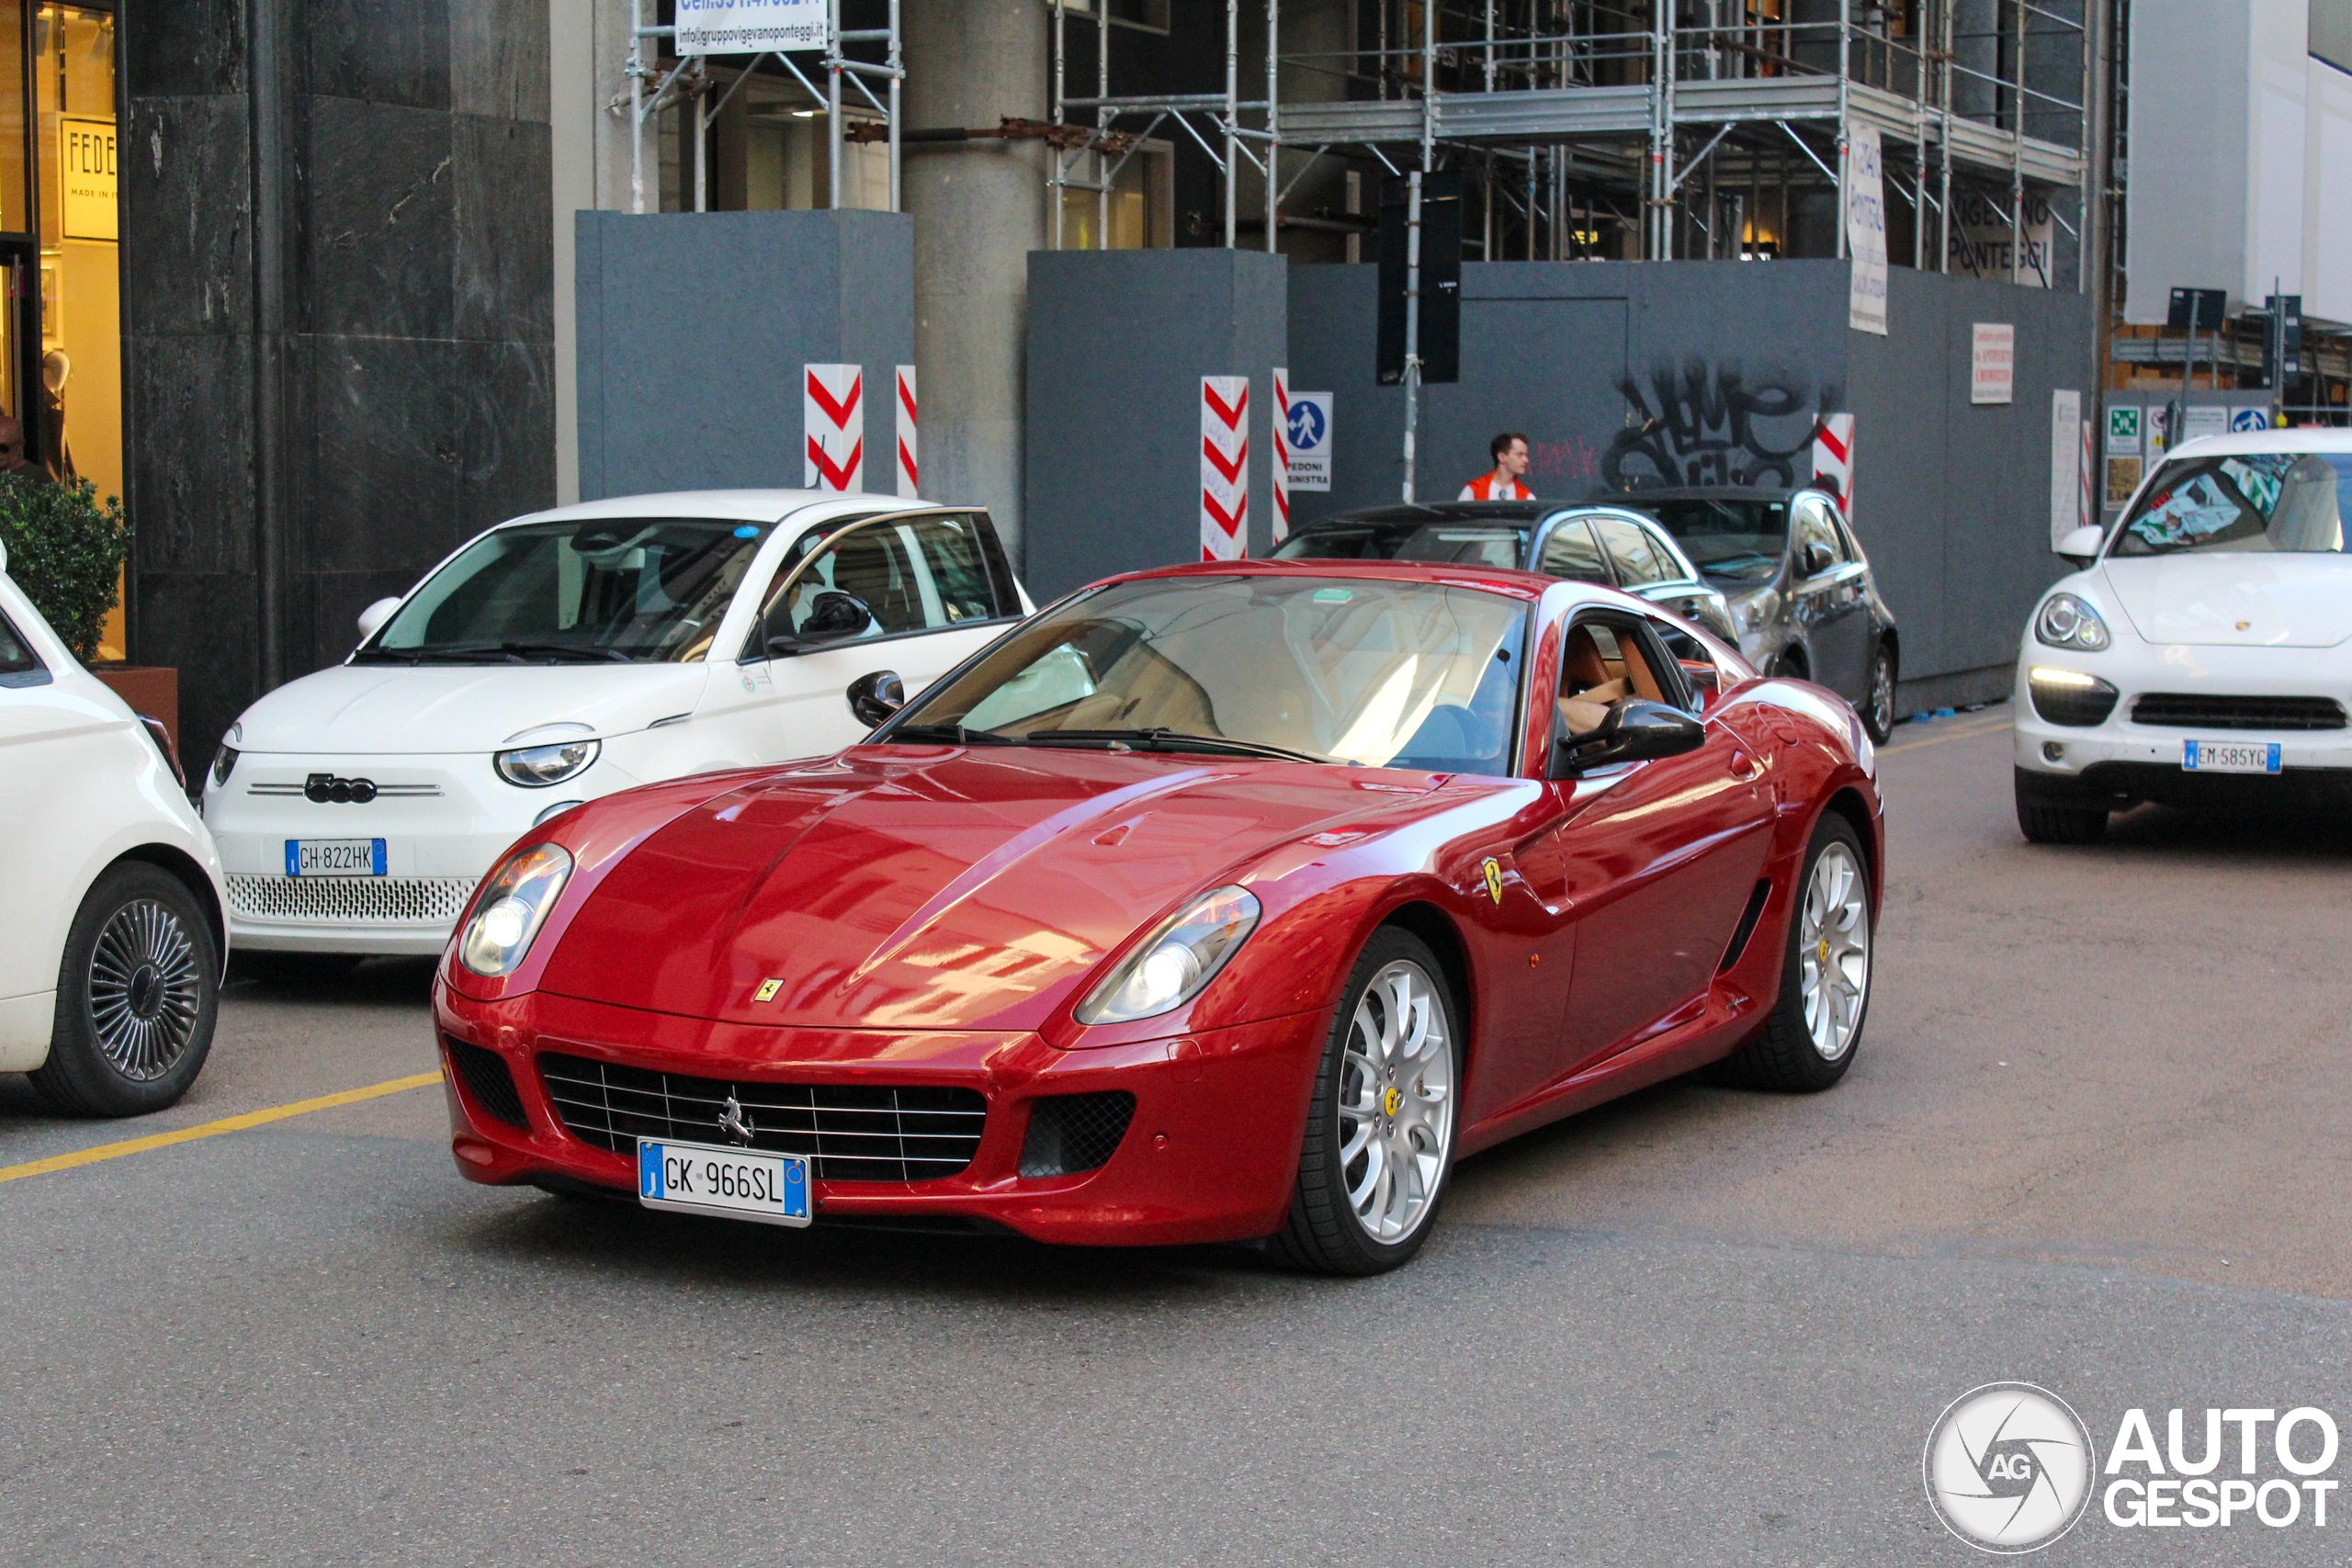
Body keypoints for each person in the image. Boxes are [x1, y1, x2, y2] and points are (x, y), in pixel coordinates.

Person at [1460, 432, 1532, 501]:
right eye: (1520, 455)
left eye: (1525, 455)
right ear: (1502, 457)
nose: (1526, 460)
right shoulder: (1474, 490)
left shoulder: (1527, 497)